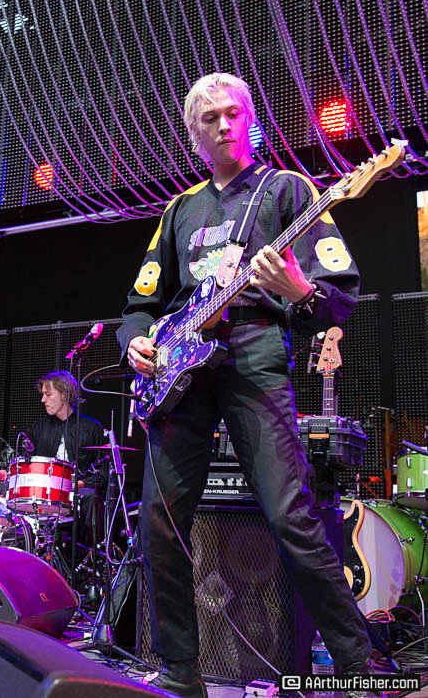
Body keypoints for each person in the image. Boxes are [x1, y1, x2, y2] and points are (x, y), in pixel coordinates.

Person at [117, 73, 376, 698]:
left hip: (254, 351)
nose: (224, 124)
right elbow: (142, 301)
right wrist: (136, 340)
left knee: (290, 516)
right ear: (194, 135)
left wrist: (299, 291)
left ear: (251, 120)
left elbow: (338, 292)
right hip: (181, 370)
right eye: (209, 118)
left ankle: (359, 666)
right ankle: (180, 672)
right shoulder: (179, 210)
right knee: (160, 523)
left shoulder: (287, 190)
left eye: (233, 113)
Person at [0, 370, 106, 566]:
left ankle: (88, 562)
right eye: (42, 395)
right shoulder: (39, 428)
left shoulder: (92, 429)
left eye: (48, 394)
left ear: (64, 394)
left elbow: (104, 474)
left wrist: (78, 484)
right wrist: (3, 475)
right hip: (42, 496)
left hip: (77, 494)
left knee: (92, 499)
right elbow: (25, 465)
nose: (43, 400)